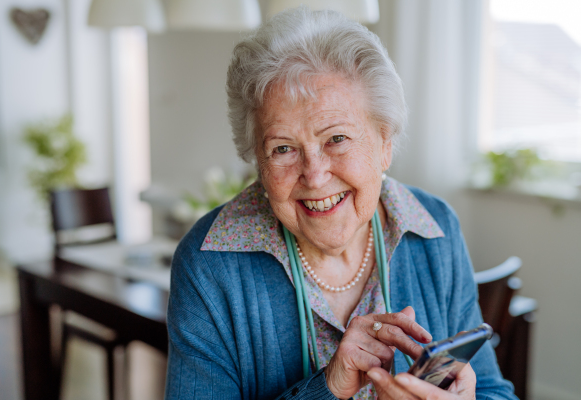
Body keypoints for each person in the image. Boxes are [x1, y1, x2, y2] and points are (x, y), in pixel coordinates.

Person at [165, 7, 517, 400]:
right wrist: (328, 386)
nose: (314, 175)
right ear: (258, 162)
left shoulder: (435, 227)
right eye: (283, 148)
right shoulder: (210, 264)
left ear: (385, 143)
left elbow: (493, 390)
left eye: (337, 139)